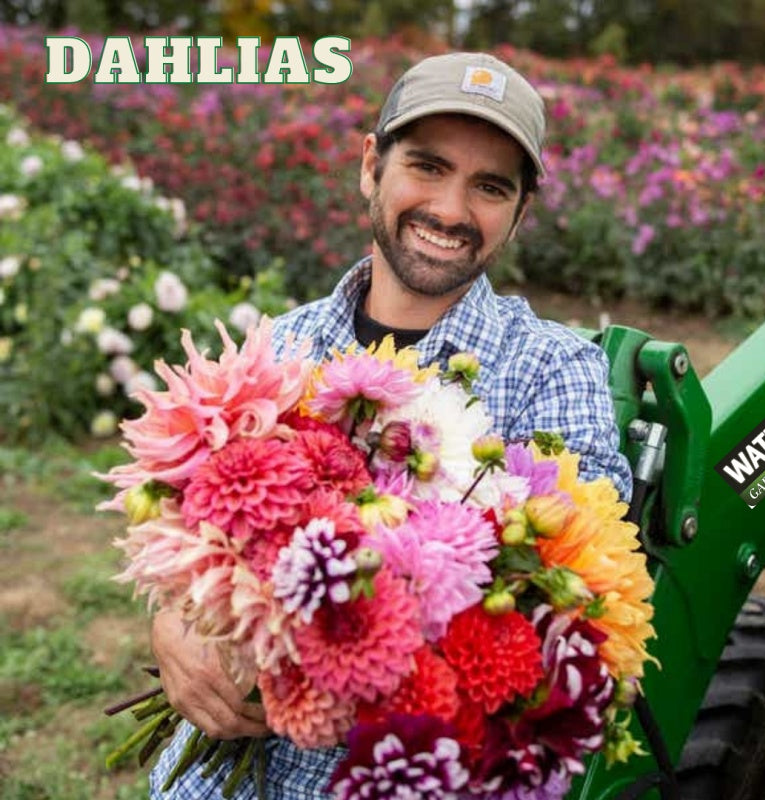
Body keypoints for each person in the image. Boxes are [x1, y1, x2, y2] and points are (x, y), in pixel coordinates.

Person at [149, 51, 633, 798]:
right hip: (216, 774)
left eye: (490, 186)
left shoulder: (553, 370)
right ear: (370, 165)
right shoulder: (280, 347)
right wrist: (179, 621)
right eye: (428, 167)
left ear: (519, 213)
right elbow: (193, 533)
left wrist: (302, 638)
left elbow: (550, 607)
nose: (449, 210)